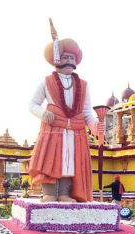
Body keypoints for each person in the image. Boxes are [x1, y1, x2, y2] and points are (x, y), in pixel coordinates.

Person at [29, 19, 103, 203]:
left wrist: (96, 127)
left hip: (76, 132)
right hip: (54, 129)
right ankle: (50, 193)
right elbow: (32, 104)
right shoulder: (46, 81)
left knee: (70, 164)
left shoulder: (83, 85)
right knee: (50, 161)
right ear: (56, 60)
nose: (69, 61)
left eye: (72, 58)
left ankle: (64, 193)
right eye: (64, 57)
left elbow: (86, 113)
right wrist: (43, 113)